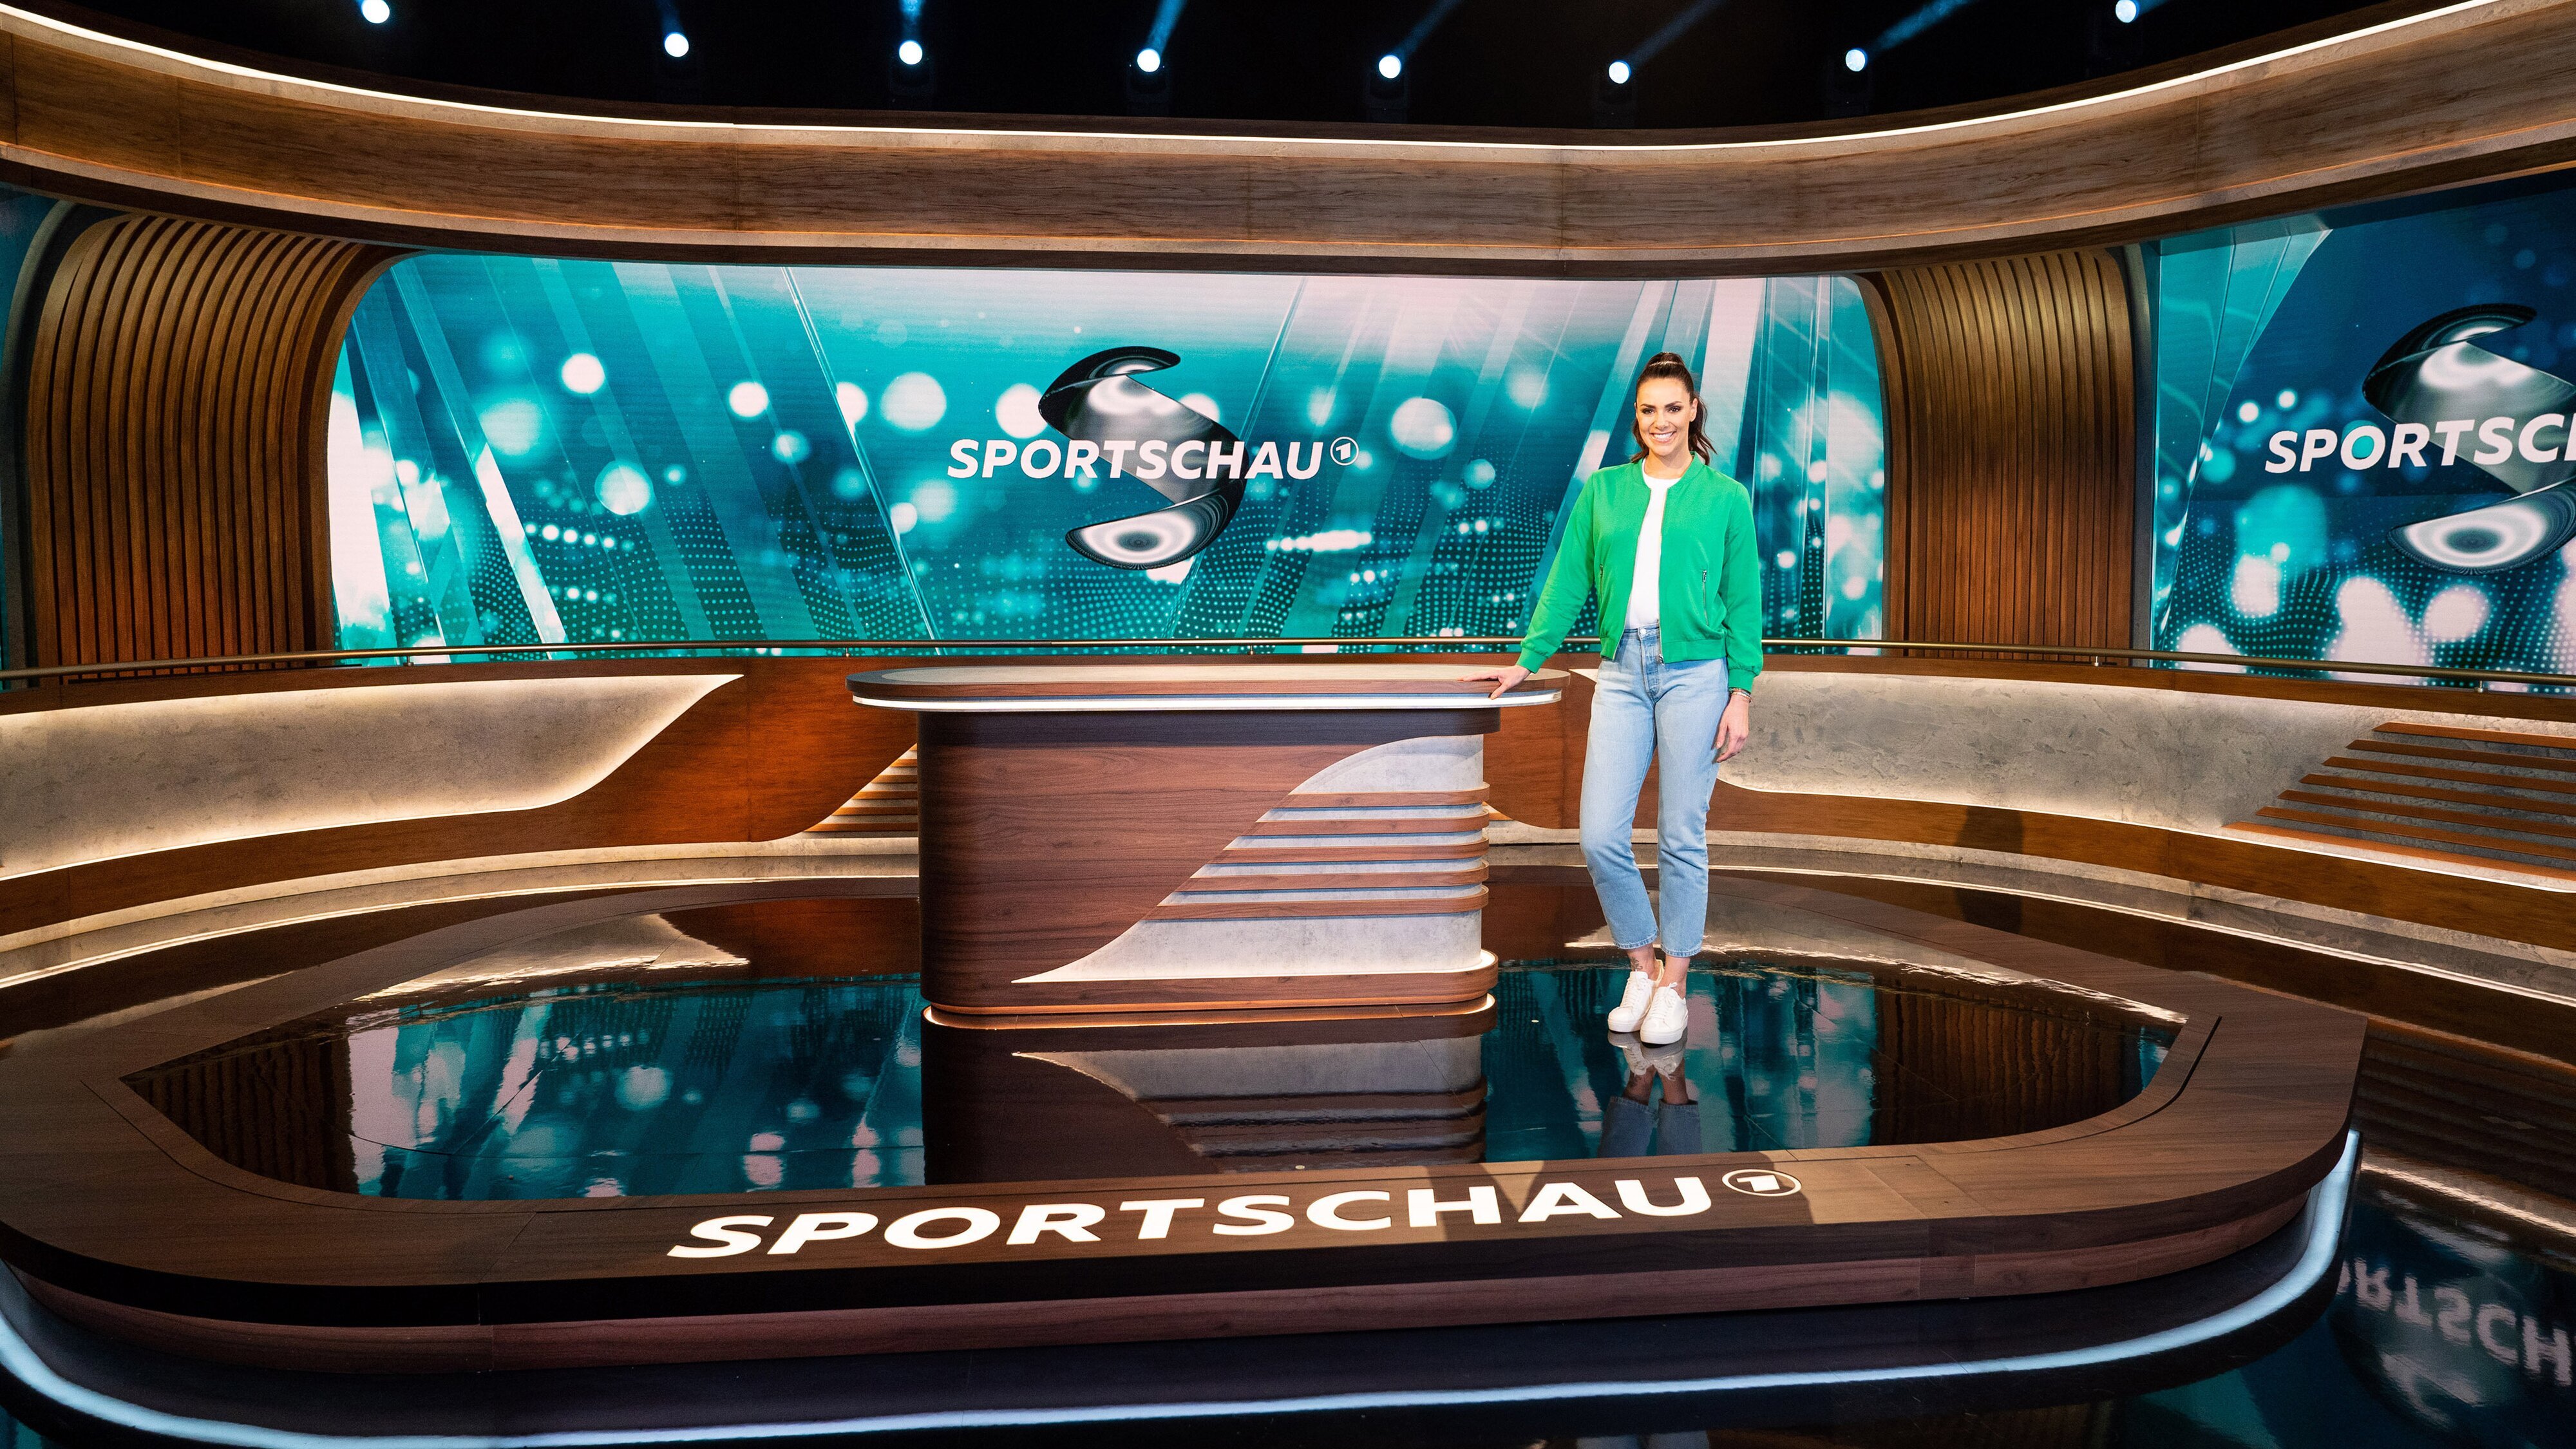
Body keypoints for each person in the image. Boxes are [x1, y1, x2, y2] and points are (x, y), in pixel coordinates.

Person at [1466, 351, 1763, 1047]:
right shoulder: (1604, 491)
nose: (1661, 421)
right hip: (1622, 672)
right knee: (1600, 834)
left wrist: (1741, 691)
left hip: (1697, 674)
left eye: (1672, 407)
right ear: (1637, 418)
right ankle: (1641, 965)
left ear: (1693, 411)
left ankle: (1675, 984)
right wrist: (1527, 660)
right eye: (1648, 410)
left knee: (1681, 835)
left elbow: (1744, 600)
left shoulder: (1726, 497)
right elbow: (1567, 582)